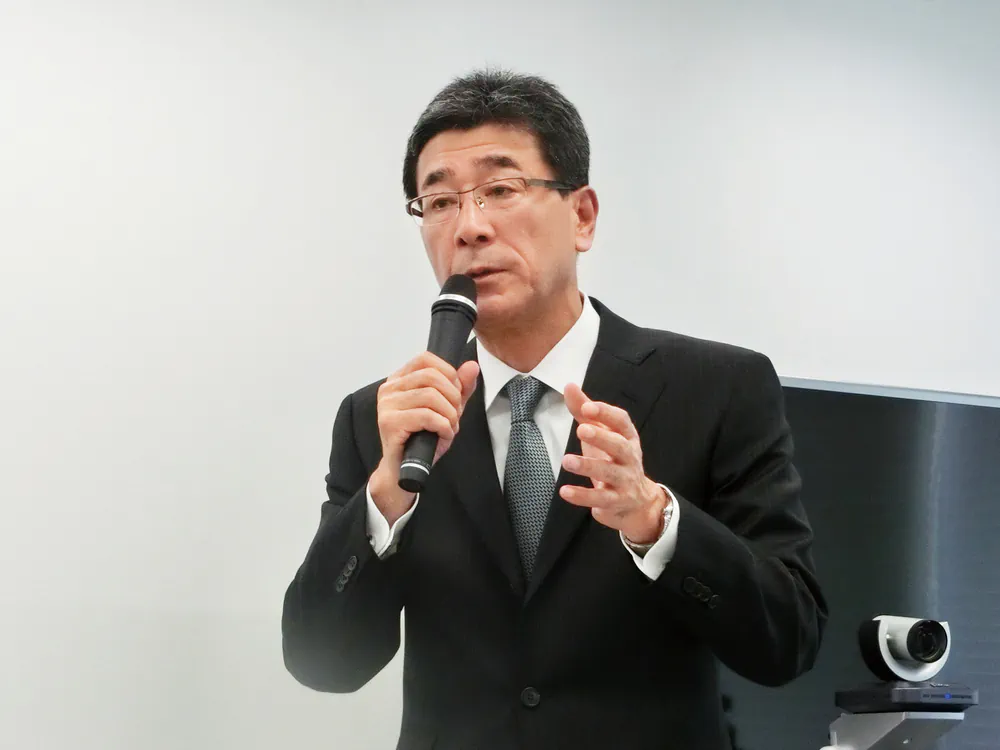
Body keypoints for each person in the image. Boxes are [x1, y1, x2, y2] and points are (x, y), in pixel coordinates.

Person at [281, 69, 828, 750]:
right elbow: (322, 663)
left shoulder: (717, 388)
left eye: (501, 190)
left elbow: (789, 642)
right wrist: (384, 500)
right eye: (440, 202)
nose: (470, 227)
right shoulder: (384, 420)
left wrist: (657, 521)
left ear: (582, 216)